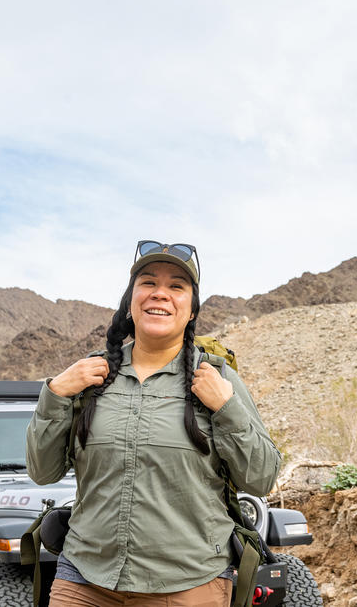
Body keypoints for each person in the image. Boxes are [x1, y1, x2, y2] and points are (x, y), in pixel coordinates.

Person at [27, 240, 280, 607]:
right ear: (131, 300)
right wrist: (54, 395)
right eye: (148, 283)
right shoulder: (89, 377)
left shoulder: (215, 377)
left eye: (177, 286)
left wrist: (226, 407)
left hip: (188, 583)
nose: (160, 294)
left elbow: (261, 477)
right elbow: (42, 471)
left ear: (192, 309)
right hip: (85, 578)